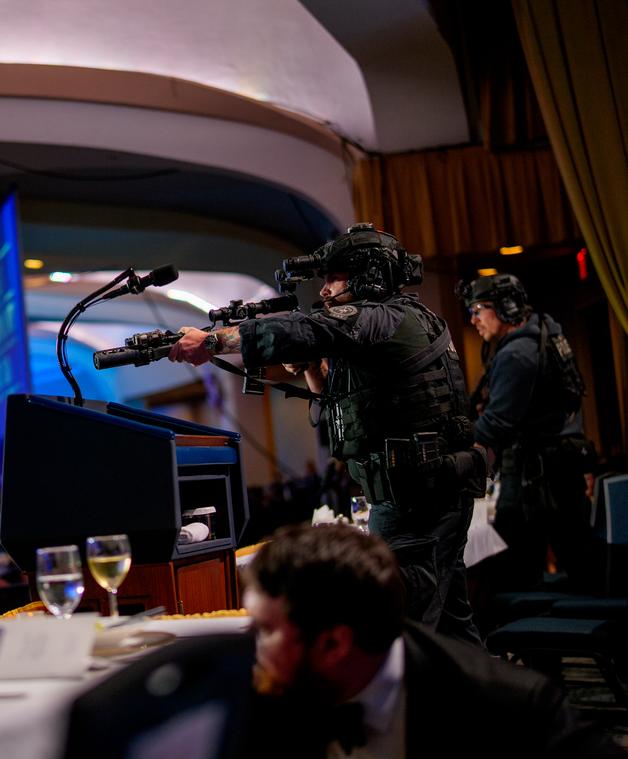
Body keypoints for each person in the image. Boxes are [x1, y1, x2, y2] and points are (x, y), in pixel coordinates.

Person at [170, 223, 484, 644]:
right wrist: (314, 370)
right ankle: (489, 701)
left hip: (414, 501)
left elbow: (305, 328)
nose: (326, 290)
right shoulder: (408, 318)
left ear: (366, 275)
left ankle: (414, 709)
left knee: (398, 632)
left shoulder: (379, 316)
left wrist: (212, 341)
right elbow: (339, 403)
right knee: (449, 625)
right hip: (429, 492)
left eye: (334, 277)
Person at [243, 523, 620, 758]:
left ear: (334, 645)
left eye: (263, 630)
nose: (250, 646)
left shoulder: (508, 706)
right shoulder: (259, 693)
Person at [458, 273, 597, 592]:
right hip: (557, 469)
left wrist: (452, 453)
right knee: (579, 562)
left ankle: (524, 638)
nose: (473, 319)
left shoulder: (516, 354)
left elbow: (495, 424)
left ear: (505, 307)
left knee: (514, 577)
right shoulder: (545, 333)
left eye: (478, 309)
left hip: (535, 477)